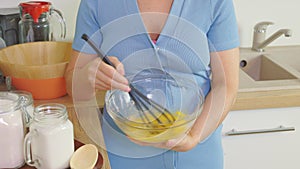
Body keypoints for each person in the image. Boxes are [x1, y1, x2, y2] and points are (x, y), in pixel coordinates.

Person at [65, 0, 240, 168]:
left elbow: (226, 84)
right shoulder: (96, 3)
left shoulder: (214, 2)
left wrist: (194, 136)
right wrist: (89, 76)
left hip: (199, 148)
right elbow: (73, 84)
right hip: (124, 153)